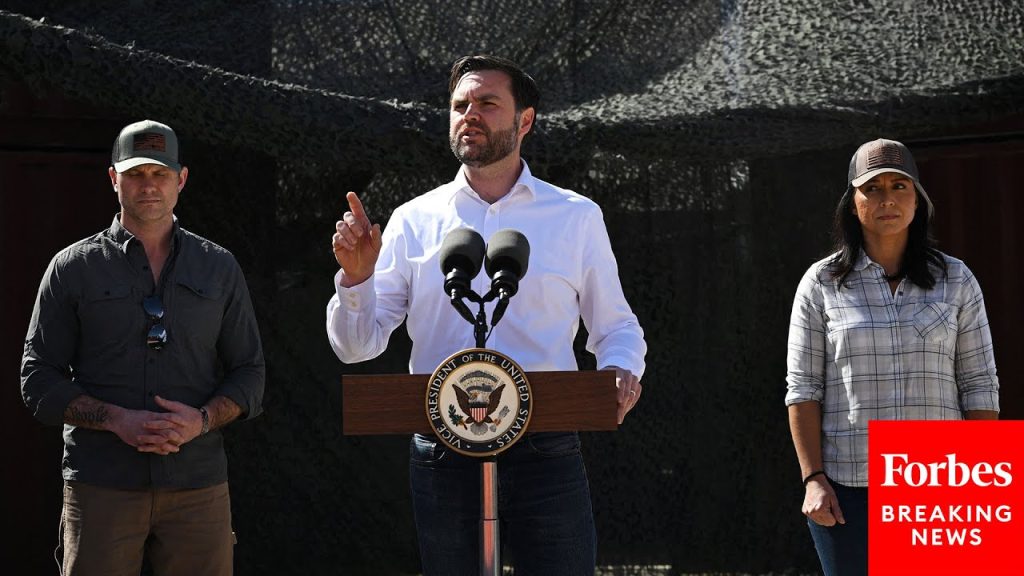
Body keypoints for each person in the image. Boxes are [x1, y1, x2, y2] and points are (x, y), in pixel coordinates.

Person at [327, 54, 647, 575]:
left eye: (487, 103)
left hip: (546, 447)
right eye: (459, 105)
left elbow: (616, 326)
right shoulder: (413, 220)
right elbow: (356, 345)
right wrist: (357, 280)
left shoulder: (575, 216)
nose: (469, 115)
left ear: (525, 120)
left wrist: (621, 370)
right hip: (443, 450)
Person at [21, 119, 266, 576]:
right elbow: (36, 380)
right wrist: (118, 421)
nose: (148, 186)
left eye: (160, 174)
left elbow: (250, 373)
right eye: (135, 174)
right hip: (101, 486)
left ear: (182, 180)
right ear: (114, 179)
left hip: (198, 487)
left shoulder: (219, 267)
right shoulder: (73, 268)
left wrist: (201, 421)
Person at [784, 138, 999, 575]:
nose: (887, 199)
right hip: (849, 489)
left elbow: (980, 385)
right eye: (873, 188)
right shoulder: (821, 283)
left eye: (899, 186)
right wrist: (813, 479)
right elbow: (803, 388)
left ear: (918, 201)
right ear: (853, 203)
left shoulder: (956, 280)